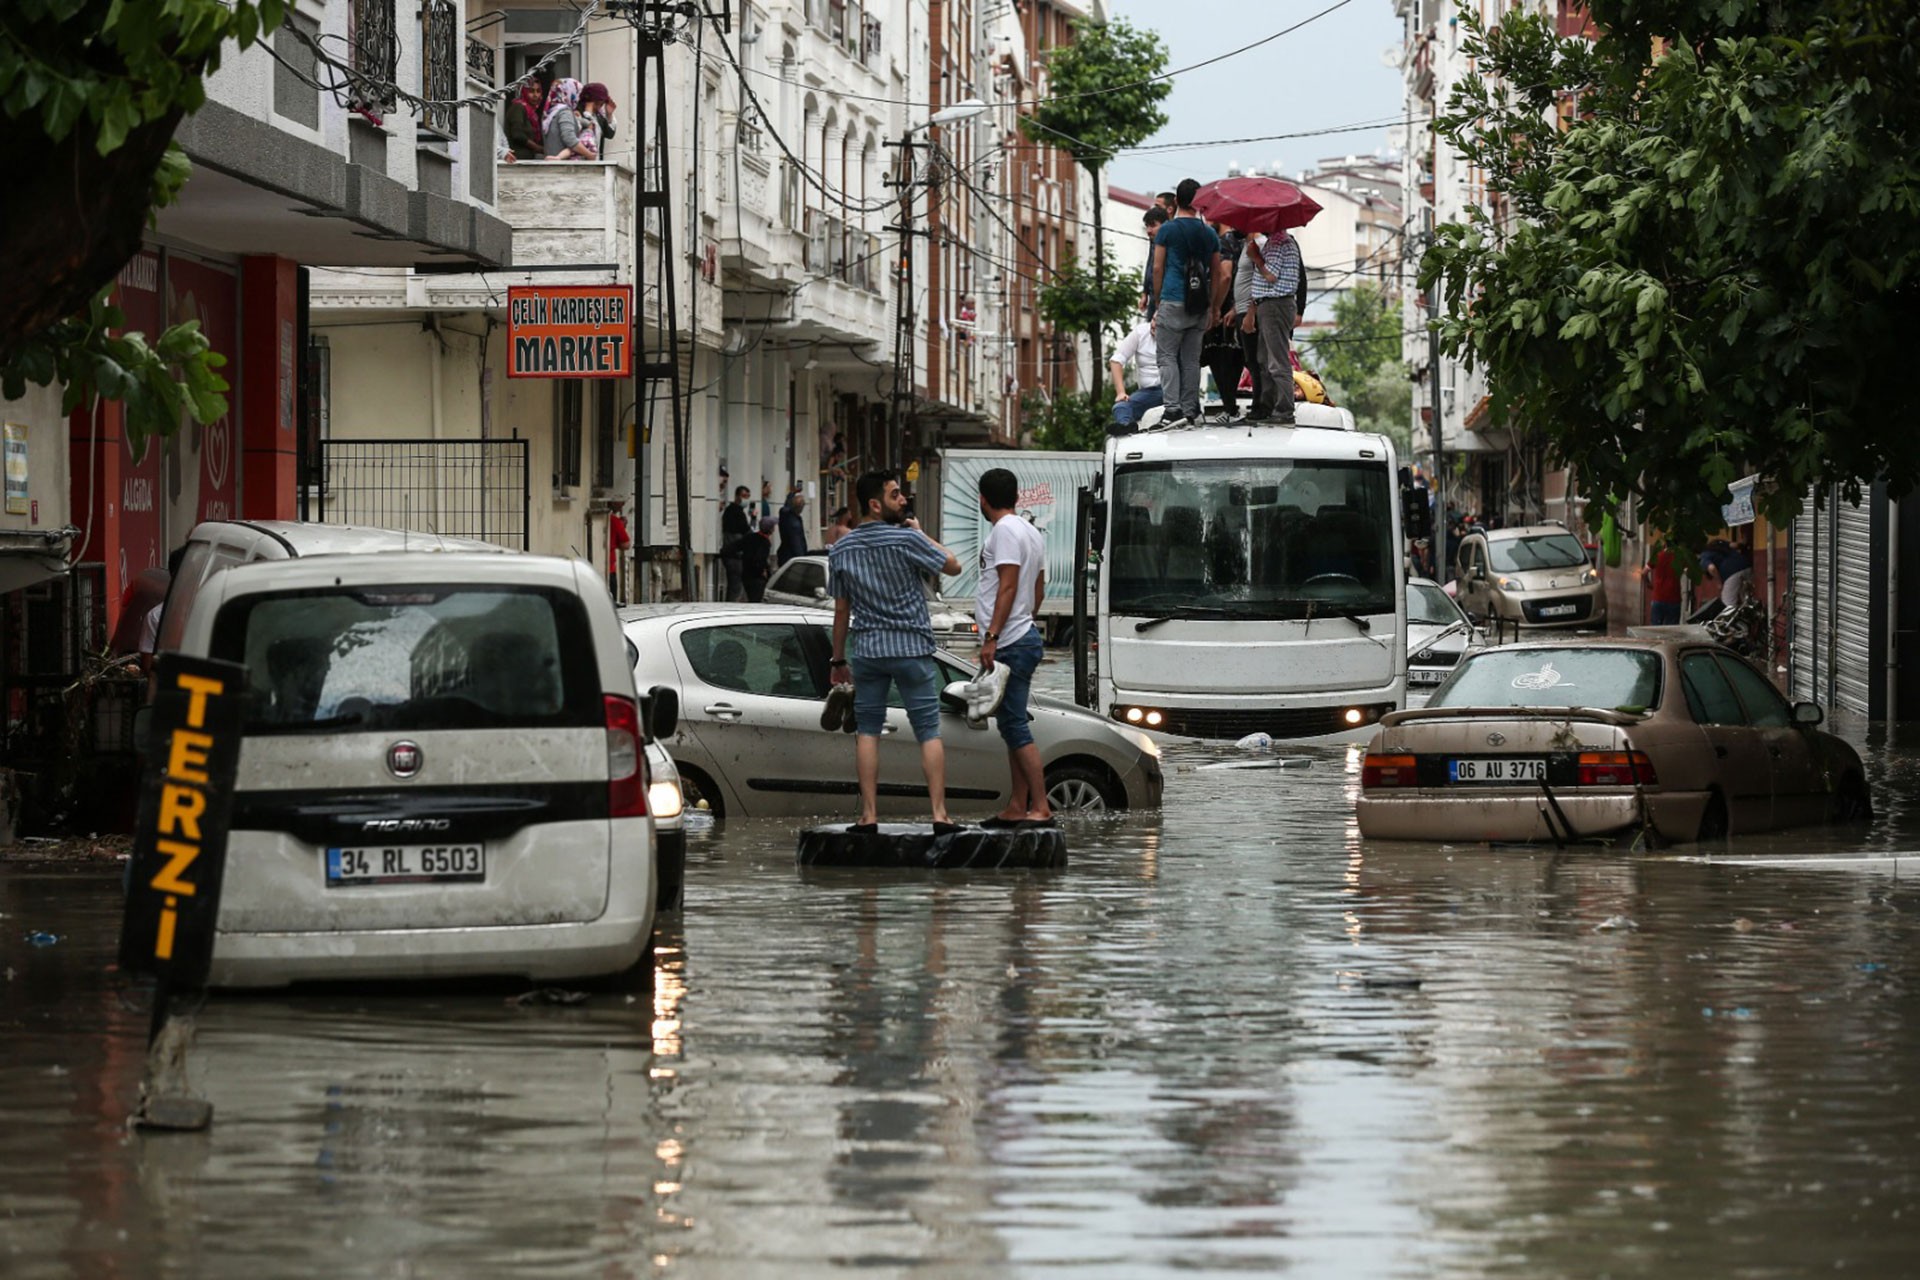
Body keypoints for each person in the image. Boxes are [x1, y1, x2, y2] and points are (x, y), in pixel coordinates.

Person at [825, 470, 965, 833]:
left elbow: (841, 611)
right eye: (894, 495)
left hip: (869, 651)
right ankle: (939, 814)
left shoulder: (841, 549)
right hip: (912, 649)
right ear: (875, 504)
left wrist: (838, 660)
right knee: (928, 732)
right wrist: (920, 533)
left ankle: (869, 815)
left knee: (868, 731)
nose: (903, 500)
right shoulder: (906, 539)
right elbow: (952, 564)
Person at [973, 468, 1052, 828]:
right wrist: (1025, 620)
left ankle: (1040, 806)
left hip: (1009, 641)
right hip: (1022, 635)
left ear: (983, 499)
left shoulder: (1003, 531)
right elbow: (1038, 588)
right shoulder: (1030, 531)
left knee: (1016, 727)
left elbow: (1007, 586)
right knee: (1010, 725)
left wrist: (993, 635)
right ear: (1017, 498)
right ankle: (1017, 805)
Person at [1148, 178, 1224, 429]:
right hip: (1199, 304)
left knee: (1167, 356)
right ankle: (1191, 410)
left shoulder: (1167, 230)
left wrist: (1158, 301)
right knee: (1191, 359)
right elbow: (1218, 272)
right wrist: (1213, 306)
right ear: (1199, 202)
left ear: (1176, 201)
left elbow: (1157, 267)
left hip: (1172, 298)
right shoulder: (1210, 233)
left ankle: (1172, 410)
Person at [1246, 223, 1303, 425]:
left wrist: (1256, 257)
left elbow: (1270, 274)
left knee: (1277, 361)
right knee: (1264, 358)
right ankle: (1268, 405)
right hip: (1269, 305)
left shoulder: (1279, 242)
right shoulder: (1276, 242)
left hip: (1275, 305)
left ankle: (1285, 410)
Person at [1203, 223, 1247, 421]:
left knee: (1217, 355)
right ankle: (1231, 407)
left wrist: (1216, 307)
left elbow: (1225, 275)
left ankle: (1230, 407)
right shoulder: (1244, 241)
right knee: (1237, 356)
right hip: (1243, 306)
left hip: (1225, 307)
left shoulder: (1224, 243)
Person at [1108, 318, 1162, 434]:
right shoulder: (1140, 332)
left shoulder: (1178, 334)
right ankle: (1126, 427)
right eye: (1153, 320)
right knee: (1120, 407)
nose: (1153, 325)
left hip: (1172, 389)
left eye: (1159, 322)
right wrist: (1121, 393)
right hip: (1148, 393)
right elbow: (1116, 360)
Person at [722, 515, 776, 601]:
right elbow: (760, 560)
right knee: (756, 599)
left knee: (750, 597)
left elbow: (733, 547)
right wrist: (765, 571)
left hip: (746, 574)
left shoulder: (750, 537)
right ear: (771, 530)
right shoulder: (765, 543)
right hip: (757, 577)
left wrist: (740, 557)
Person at [542, 78, 595, 160]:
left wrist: (581, 120)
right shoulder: (564, 112)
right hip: (563, 166)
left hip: (552, 163)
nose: (578, 99)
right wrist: (589, 154)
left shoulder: (552, 112)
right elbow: (570, 139)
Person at [720, 484, 752, 601]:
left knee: (735, 585)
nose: (746, 499)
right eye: (744, 496)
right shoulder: (735, 512)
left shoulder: (734, 511)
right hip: (734, 555)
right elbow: (745, 531)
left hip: (732, 554)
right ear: (737, 496)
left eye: (748, 496)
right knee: (735, 586)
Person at [500, 81, 545, 162]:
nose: (535, 95)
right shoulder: (518, 107)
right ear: (524, 92)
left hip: (527, 160)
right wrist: (539, 148)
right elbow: (518, 135)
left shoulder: (532, 113)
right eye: (531, 91)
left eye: (538, 91)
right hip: (516, 160)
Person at [577, 82, 617, 158]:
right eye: (600, 101)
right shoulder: (578, 113)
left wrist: (609, 114)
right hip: (581, 162)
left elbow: (609, 134)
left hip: (596, 162)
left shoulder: (598, 115)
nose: (602, 104)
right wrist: (588, 110)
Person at [1643, 545, 1682, 625]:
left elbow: (1644, 573)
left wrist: (1648, 583)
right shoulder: (1679, 557)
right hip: (1674, 599)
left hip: (1658, 598)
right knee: (1672, 631)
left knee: (1655, 630)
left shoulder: (1657, 556)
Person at [1139, 205, 1168, 309]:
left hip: (1165, 297)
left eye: (1153, 225)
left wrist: (1158, 300)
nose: (1148, 230)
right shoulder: (1153, 241)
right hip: (1153, 295)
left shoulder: (1169, 243)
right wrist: (1145, 293)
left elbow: (1157, 268)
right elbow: (1150, 265)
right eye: (1147, 226)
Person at [778, 489, 809, 564]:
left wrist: (792, 493)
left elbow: (786, 505)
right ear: (801, 508)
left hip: (783, 553)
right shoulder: (795, 524)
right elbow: (796, 543)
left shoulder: (784, 514)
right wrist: (802, 559)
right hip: (791, 557)